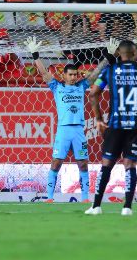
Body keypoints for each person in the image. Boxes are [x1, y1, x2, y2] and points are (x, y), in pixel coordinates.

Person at [25, 36, 118, 203]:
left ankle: (84, 198)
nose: (74, 77)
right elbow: (44, 73)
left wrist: (108, 58)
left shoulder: (81, 86)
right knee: (56, 162)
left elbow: (96, 72)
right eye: (71, 75)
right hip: (63, 129)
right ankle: (50, 197)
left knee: (83, 164)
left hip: (78, 131)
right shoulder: (57, 87)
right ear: (65, 75)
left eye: (75, 74)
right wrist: (35, 54)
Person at [86, 40, 137, 216]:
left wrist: (98, 118)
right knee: (130, 165)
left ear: (119, 53)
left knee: (106, 165)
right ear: (135, 54)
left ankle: (96, 206)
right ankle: (127, 207)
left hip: (115, 125)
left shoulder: (109, 71)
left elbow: (93, 93)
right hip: (136, 126)